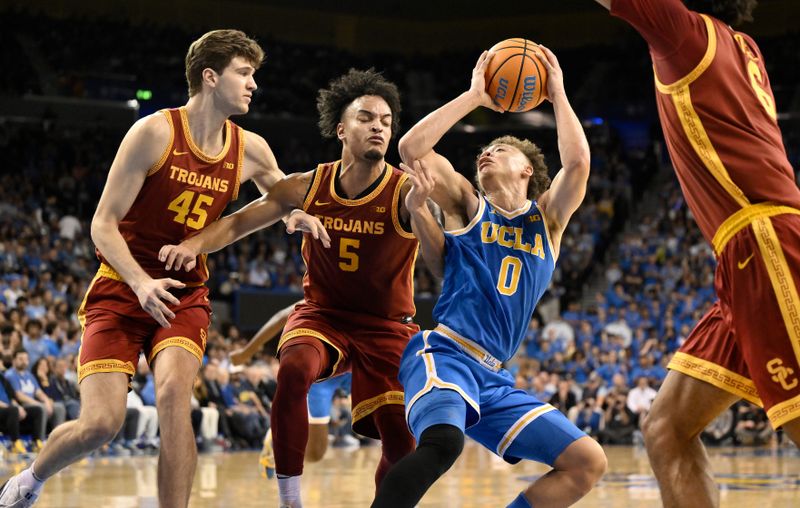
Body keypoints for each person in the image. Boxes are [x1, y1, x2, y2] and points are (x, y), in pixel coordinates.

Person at [0, 29, 322, 508]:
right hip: (121, 288)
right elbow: (102, 225)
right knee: (101, 424)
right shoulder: (154, 132)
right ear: (210, 77)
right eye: (245, 73)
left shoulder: (250, 147)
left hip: (184, 295)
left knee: (175, 399)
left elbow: (279, 195)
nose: (254, 84)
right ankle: (31, 478)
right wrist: (141, 281)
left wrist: (294, 215)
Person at [158, 68, 421, 507]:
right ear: (341, 129)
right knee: (295, 369)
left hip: (387, 326)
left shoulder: (406, 191)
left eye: (386, 121)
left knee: (399, 442)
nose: (379, 126)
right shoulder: (307, 185)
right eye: (366, 118)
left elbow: (453, 234)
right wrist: (192, 244)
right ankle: (290, 500)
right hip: (325, 316)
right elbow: (240, 220)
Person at [371, 48, 607, 508]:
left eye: (499, 149)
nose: (485, 153)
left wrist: (557, 93)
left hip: (496, 378)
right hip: (445, 352)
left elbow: (577, 165)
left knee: (587, 461)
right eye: (483, 150)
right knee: (444, 445)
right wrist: (475, 95)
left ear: (526, 170)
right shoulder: (466, 204)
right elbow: (411, 150)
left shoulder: (548, 222)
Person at [591, 1, 800, 506]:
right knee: (666, 430)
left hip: (766, 242)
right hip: (743, 256)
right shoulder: (740, 44)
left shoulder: (686, 33)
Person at [227, 299, 353, 478]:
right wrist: (246, 352)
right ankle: (277, 435)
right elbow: (282, 316)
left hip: (358, 366)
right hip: (325, 374)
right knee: (314, 454)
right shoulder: (328, 289)